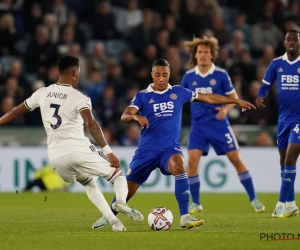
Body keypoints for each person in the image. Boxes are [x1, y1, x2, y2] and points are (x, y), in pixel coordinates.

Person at [92, 58, 256, 229]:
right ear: (152, 75)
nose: (161, 79)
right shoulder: (143, 95)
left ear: (169, 75)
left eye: (164, 75)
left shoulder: (179, 92)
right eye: (157, 75)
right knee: (128, 190)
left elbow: (208, 98)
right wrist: (135, 116)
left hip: (169, 150)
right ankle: (109, 216)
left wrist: (235, 101)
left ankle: (185, 217)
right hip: (146, 151)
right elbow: (125, 115)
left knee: (179, 164)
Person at [0, 55, 143, 231]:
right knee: (118, 175)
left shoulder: (42, 93)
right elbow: (91, 124)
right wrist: (108, 151)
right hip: (77, 149)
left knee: (89, 182)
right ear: (75, 72)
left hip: (56, 158)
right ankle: (120, 202)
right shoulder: (79, 98)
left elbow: (17, 111)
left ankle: (114, 222)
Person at [181, 36, 265, 214]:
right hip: (198, 126)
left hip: (219, 125)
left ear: (212, 55)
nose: (203, 55)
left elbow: (233, 98)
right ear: (195, 55)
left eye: (206, 52)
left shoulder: (220, 75)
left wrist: (225, 110)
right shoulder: (188, 77)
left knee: (235, 159)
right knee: (192, 161)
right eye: (200, 52)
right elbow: (181, 99)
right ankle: (196, 203)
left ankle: (254, 198)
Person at [256, 29, 300, 218]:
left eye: (295, 39)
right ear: (284, 43)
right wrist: (260, 95)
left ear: (299, 43)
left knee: (291, 158)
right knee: (283, 162)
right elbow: (265, 85)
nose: (292, 42)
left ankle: (281, 203)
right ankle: (291, 204)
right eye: (289, 39)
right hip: (283, 119)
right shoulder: (276, 64)